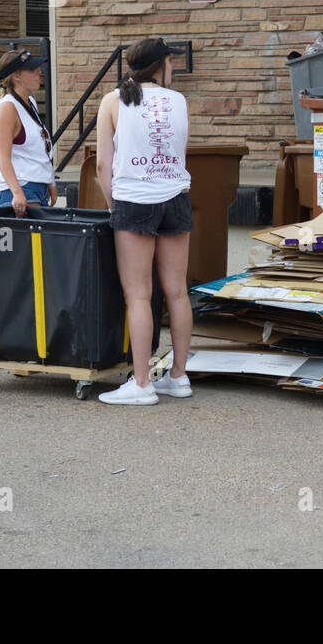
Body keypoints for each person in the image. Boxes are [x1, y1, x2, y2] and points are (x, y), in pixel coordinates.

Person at [95, 37, 195, 406]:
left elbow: (103, 165)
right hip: (176, 197)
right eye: (170, 61)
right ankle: (179, 376)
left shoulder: (112, 101)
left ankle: (141, 383)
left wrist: (112, 206)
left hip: (134, 200)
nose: (173, 67)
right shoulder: (179, 102)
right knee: (177, 291)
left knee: (138, 295)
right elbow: (179, 153)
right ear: (160, 65)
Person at [0, 48, 57, 215]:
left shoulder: (29, 102)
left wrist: (49, 181)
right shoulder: (8, 107)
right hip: (19, 188)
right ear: (16, 76)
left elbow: (37, 149)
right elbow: (2, 157)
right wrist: (17, 192)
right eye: (32, 70)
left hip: (35, 186)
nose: (38, 73)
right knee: (31, 241)